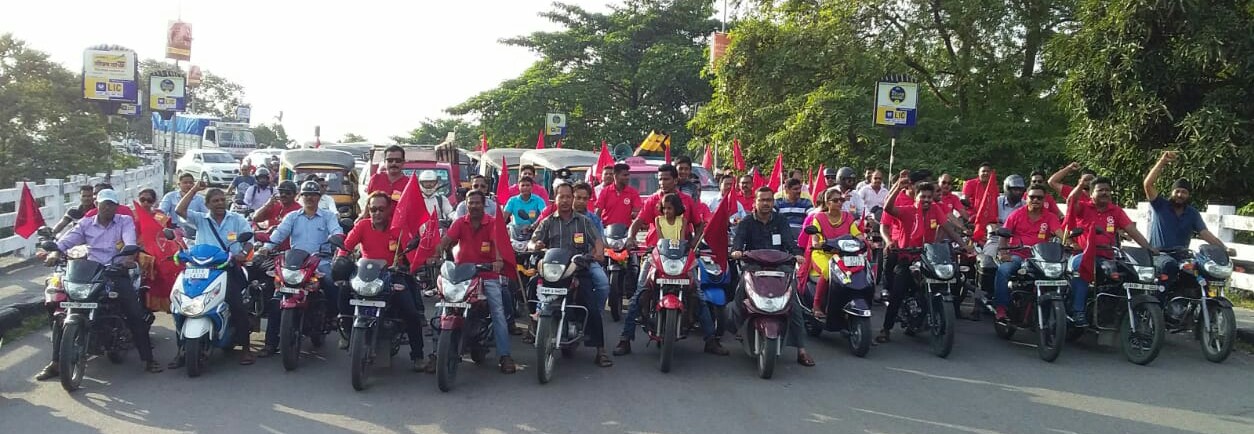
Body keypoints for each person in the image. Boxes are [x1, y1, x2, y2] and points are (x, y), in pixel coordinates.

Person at [34, 189, 163, 379]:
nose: (108, 207)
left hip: (115, 272)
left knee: (134, 313)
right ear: (97, 205)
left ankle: (148, 359)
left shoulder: (124, 221)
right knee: (61, 313)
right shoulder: (85, 223)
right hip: (90, 272)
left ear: (116, 206)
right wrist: (54, 253)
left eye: (111, 204)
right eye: (104, 204)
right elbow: (66, 241)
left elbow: (129, 240)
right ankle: (56, 363)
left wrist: (128, 257)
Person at [618, 165, 721, 356]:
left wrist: (692, 246)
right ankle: (625, 339)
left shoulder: (687, 201)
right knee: (639, 293)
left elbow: (699, 226)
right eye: (659, 179)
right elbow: (638, 222)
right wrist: (630, 238)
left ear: (675, 180)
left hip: (682, 256)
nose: (662, 183)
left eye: (666, 179)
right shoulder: (652, 201)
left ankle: (711, 340)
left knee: (698, 294)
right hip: (654, 254)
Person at [339, 192, 431, 372]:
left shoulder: (398, 229)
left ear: (389, 210)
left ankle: (418, 356)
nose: (377, 213)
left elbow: (410, 253)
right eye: (373, 209)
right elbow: (346, 247)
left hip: (392, 275)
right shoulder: (362, 226)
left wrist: (413, 262)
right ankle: (347, 332)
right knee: (342, 290)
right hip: (365, 275)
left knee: (410, 312)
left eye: (381, 209)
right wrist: (341, 260)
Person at [255, 181, 343, 356]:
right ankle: (270, 344)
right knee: (276, 298)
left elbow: (336, 231)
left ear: (319, 197)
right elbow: (279, 234)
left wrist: (338, 238)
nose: (309, 198)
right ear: (300, 197)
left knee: (331, 284)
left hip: (320, 261)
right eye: (306, 194)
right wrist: (266, 248)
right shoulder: (292, 217)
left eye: (313, 194)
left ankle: (332, 317)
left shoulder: (328, 216)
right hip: (296, 262)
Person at [530, 183, 614, 367]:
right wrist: (534, 246)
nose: (566, 200)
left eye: (569, 196)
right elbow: (533, 241)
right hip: (552, 272)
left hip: (576, 271)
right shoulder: (548, 222)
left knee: (591, 306)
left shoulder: (583, 221)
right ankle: (534, 325)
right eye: (562, 197)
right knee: (531, 286)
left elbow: (597, 240)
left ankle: (601, 350)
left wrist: (599, 252)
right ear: (556, 199)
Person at [172, 182, 255, 366]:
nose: (219, 203)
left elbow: (250, 238)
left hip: (227, 268)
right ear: (207, 204)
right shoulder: (201, 219)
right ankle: (181, 350)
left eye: (221, 200)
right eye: (215, 201)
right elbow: (179, 210)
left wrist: (243, 253)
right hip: (201, 269)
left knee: (237, 306)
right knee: (181, 304)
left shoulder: (236, 219)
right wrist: (194, 190)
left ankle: (246, 349)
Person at [877, 173, 966, 344]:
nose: (926, 199)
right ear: (916, 197)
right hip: (906, 258)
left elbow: (948, 228)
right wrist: (897, 187)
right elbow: (888, 208)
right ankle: (886, 329)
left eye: (929, 197)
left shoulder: (935, 209)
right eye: (923, 196)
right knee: (897, 293)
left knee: (948, 279)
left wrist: (964, 245)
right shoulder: (907, 210)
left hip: (929, 257)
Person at [729, 187, 814, 366]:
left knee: (794, 305)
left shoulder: (781, 221)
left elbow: (790, 242)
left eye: (769, 200)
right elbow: (738, 241)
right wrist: (737, 251)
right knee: (738, 295)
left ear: (773, 203)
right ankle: (739, 328)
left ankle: (801, 350)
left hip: (780, 267)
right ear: (755, 202)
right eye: (762, 200)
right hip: (753, 267)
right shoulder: (746, 222)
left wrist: (797, 254)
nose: (766, 203)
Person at [1065, 177, 1157, 327]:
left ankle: (1125, 314)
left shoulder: (1116, 211)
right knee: (1082, 268)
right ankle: (1078, 311)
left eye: (1107, 190)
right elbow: (1071, 201)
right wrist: (1080, 184)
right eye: (1100, 190)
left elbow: (1132, 230)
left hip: (1108, 257)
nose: (1105, 193)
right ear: (1091, 193)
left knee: (1130, 274)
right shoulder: (1083, 207)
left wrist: (1148, 248)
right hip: (1084, 255)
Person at [1141, 151, 1231, 302]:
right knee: (1169, 265)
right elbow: (1147, 184)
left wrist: (1224, 249)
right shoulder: (1160, 206)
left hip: (1182, 256)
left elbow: (1205, 233)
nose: (1180, 195)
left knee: (1199, 272)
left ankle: (1192, 307)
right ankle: (1157, 307)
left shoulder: (1192, 213)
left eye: (1184, 192)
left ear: (1188, 195)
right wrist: (1162, 162)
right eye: (1177, 191)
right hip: (1159, 255)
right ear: (1172, 192)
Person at [993, 185, 1063, 322]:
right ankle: (1001, 308)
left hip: (1041, 259)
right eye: (1032, 197)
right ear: (1027, 198)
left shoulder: (1050, 217)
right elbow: (1004, 234)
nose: (1035, 200)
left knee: (1061, 276)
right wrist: (1002, 252)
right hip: (1018, 255)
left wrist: (1068, 243)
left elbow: (1060, 233)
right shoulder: (1017, 214)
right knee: (1003, 270)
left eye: (1039, 197)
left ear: (1044, 200)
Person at [803, 188, 862, 319]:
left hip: (844, 255)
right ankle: (816, 305)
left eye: (841, 200)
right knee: (828, 272)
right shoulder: (819, 217)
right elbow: (815, 237)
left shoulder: (847, 217)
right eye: (835, 200)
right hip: (823, 254)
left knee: (860, 272)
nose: (839, 203)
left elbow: (856, 233)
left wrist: (863, 240)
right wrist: (816, 242)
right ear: (827, 203)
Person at [594, 163, 643, 228]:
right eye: (625, 175)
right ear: (616, 176)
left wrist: (636, 214)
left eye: (628, 175)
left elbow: (638, 211)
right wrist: (597, 228)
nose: (627, 178)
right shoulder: (605, 191)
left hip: (626, 231)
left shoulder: (633, 193)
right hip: (607, 230)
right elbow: (598, 212)